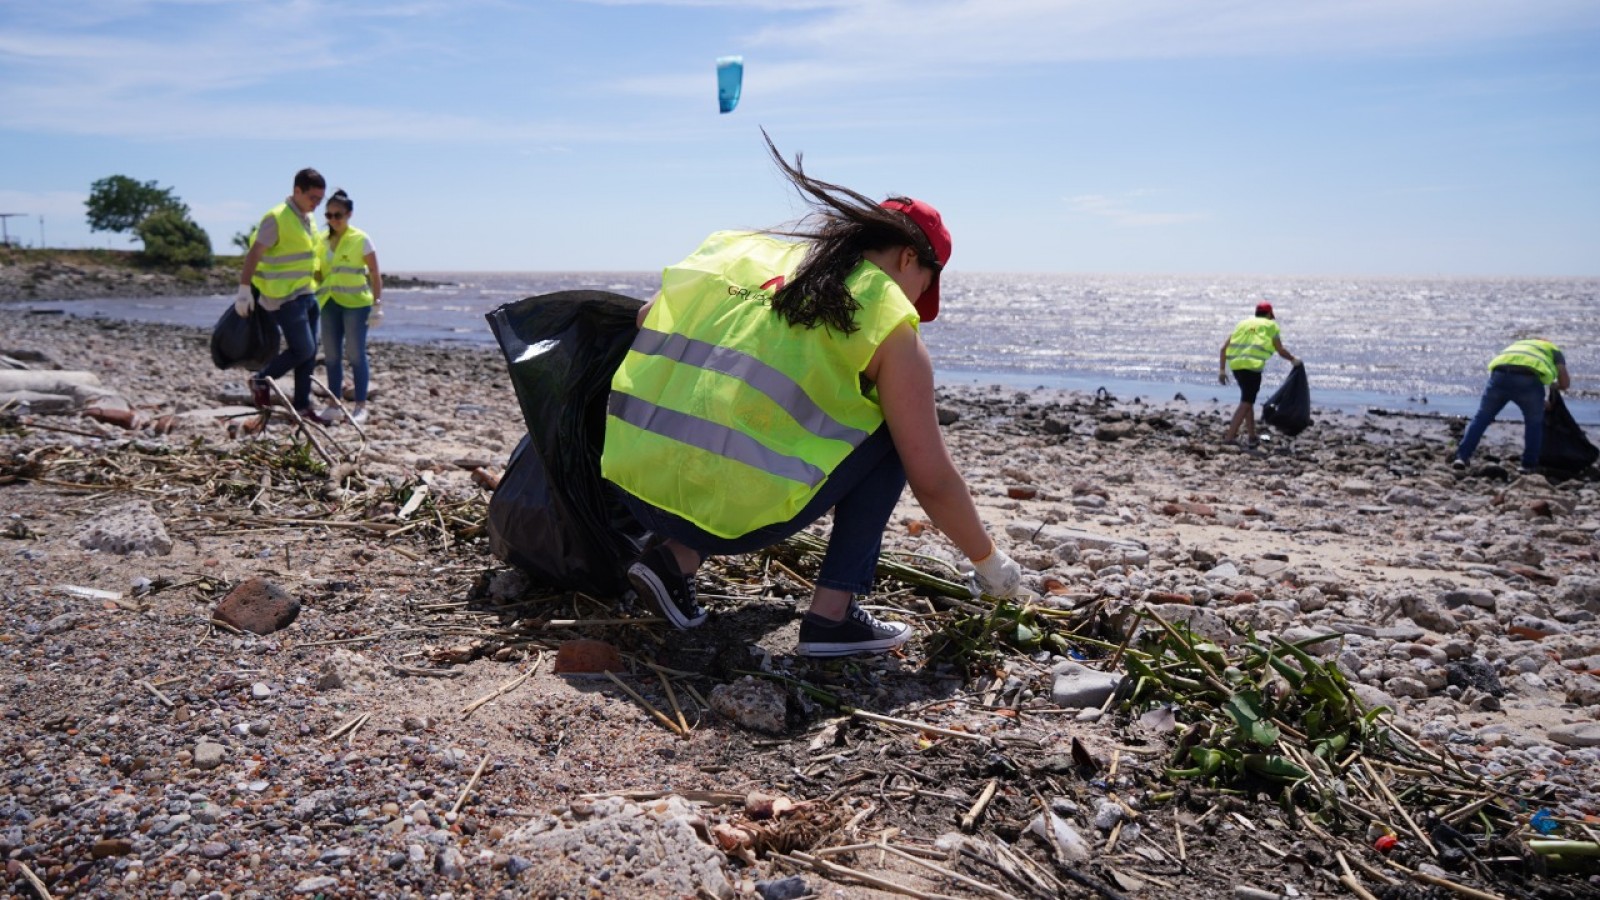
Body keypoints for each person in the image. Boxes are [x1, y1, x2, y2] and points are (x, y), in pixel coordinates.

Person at [600, 135, 1023, 658]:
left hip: (632, 485)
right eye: (923, 285)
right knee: (893, 434)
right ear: (910, 257)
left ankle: (675, 560)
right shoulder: (886, 318)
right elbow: (932, 480)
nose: (916, 300)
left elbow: (647, 321)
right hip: (728, 520)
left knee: (733, 402)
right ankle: (832, 616)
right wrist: (989, 563)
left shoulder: (740, 252)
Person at [236, 168, 327, 422]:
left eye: (320, 200)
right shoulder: (276, 218)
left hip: (307, 293)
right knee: (303, 348)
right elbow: (254, 254)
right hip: (283, 296)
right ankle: (261, 380)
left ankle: (301, 406)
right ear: (297, 191)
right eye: (313, 198)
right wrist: (244, 290)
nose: (316, 205)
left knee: (309, 353)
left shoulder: (308, 219)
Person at [1452, 338, 1571, 474]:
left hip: (1500, 376)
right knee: (1533, 424)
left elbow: (1512, 382)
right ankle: (1528, 465)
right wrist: (1556, 386)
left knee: (1481, 418)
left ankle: (1461, 457)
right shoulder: (1553, 349)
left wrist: (1539, 401)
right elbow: (1565, 383)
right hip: (1528, 381)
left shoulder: (1518, 345)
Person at [315, 189, 383, 425]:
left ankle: (360, 406)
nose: (333, 219)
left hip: (356, 305)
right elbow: (317, 272)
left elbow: (374, 273)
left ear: (349, 214)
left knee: (355, 354)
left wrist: (377, 304)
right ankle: (334, 404)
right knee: (331, 356)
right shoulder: (321, 241)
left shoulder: (361, 239)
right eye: (329, 215)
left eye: (338, 215)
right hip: (328, 304)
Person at [1219, 302, 1299, 447]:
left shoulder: (1242, 324)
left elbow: (1223, 348)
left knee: (1247, 399)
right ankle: (1229, 438)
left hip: (1236, 365)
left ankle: (1252, 436)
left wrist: (1222, 370)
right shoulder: (1271, 326)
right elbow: (1280, 350)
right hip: (1252, 367)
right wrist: (1293, 359)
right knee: (1246, 402)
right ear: (1269, 314)